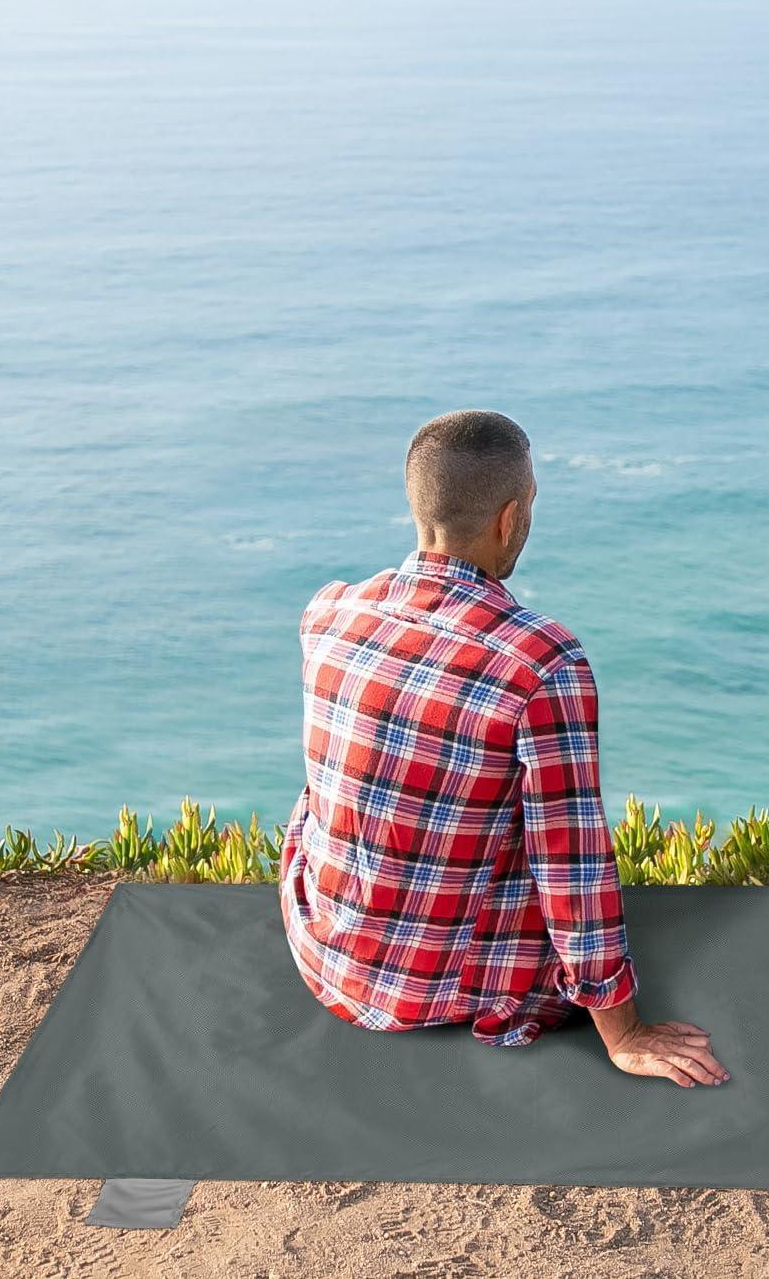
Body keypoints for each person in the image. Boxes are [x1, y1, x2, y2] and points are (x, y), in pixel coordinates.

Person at [279, 409, 729, 1089]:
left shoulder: (329, 611)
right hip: (433, 990)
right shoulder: (541, 661)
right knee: (547, 828)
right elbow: (571, 865)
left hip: (324, 952)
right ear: (510, 518)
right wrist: (625, 1030)